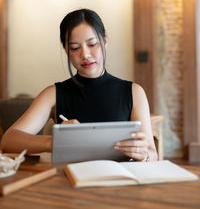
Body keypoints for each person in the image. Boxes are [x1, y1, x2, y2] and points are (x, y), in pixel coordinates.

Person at [1, 9, 157, 161]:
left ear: (104, 41)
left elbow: (152, 153)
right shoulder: (54, 94)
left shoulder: (133, 92)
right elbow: (9, 140)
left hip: (121, 181)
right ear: (66, 50)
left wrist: (145, 154)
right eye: (75, 48)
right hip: (71, 181)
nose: (85, 55)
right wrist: (55, 142)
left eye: (92, 44)